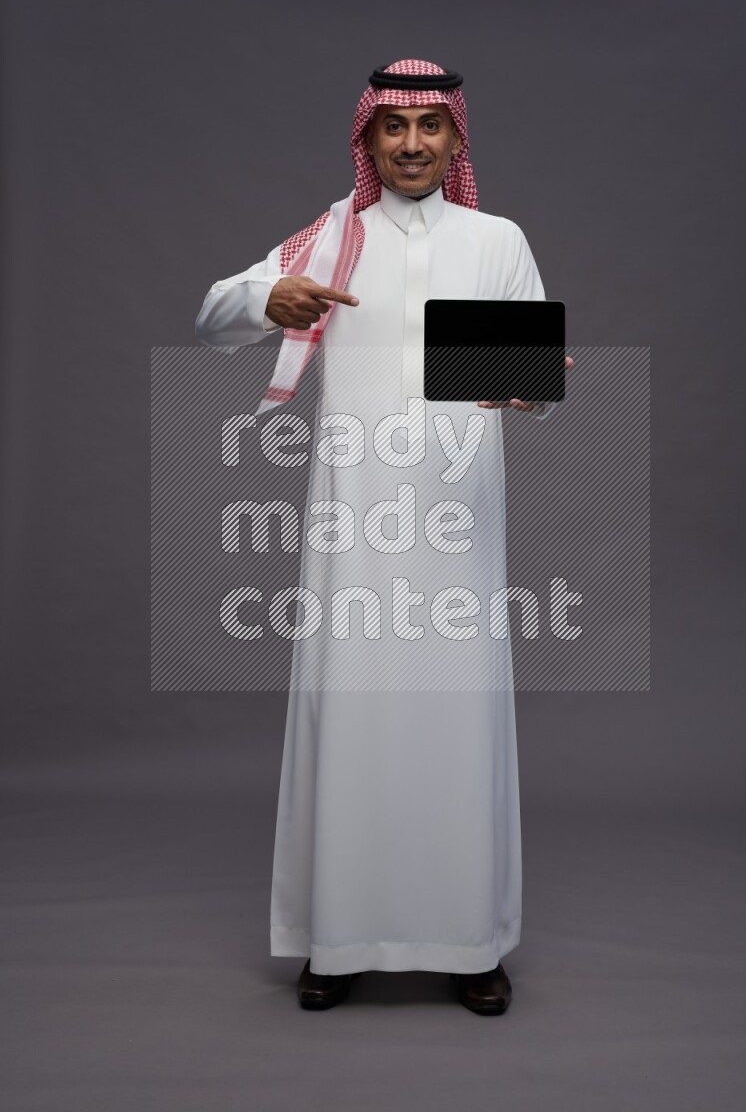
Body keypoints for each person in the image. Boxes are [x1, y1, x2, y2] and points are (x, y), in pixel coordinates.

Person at [195, 59, 572, 1015]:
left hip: (457, 524)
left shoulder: (497, 241)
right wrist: (266, 303)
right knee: (352, 717)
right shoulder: (332, 237)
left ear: (456, 139)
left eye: (429, 126)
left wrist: (532, 387)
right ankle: (338, 939)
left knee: (460, 724)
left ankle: (471, 944)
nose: (411, 144)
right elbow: (212, 316)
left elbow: (533, 379)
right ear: (366, 138)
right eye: (392, 127)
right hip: (354, 524)